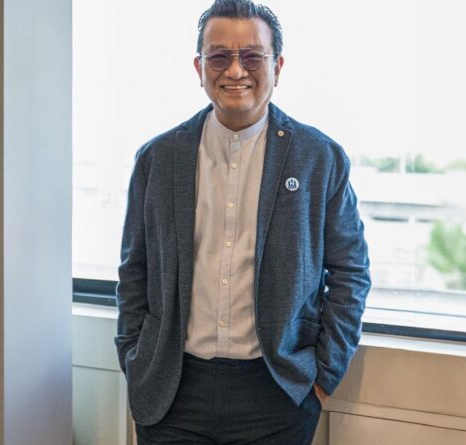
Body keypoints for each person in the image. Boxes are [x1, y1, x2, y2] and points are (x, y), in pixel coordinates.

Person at [114, 0, 370, 443]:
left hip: (277, 393)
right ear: (199, 67)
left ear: (277, 66)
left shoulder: (319, 159)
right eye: (219, 57)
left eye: (252, 56)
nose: (235, 71)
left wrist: (321, 379)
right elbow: (134, 271)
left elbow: (350, 273)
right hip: (172, 392)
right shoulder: (158, 158)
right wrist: (134, 359)